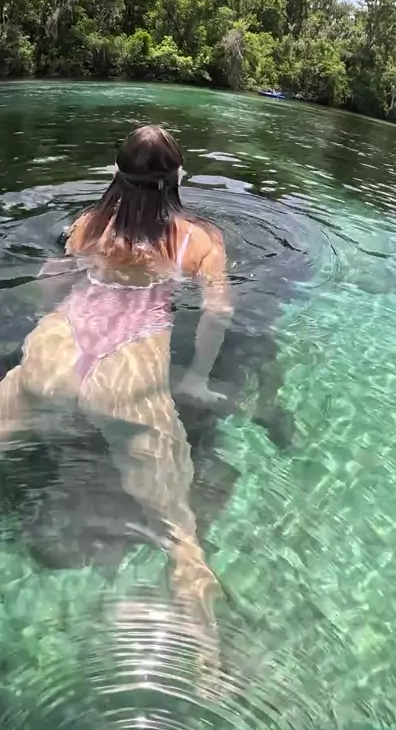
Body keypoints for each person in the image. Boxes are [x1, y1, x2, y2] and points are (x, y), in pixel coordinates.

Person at [0, 124, 233, 666]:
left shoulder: (88, 225)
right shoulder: (200, 242)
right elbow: (219, 313)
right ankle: (207, 661)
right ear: (179, 177)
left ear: (113, 173)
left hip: (55, 353)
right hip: (127, 379)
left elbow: (49, 283)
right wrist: (196, 378)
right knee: (181, 537)